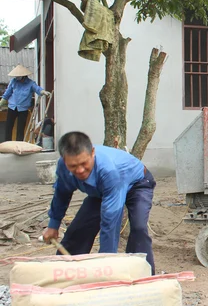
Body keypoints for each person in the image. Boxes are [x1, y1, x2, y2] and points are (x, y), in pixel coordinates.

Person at [42, 132, 157, 274]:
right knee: (78, 229)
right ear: (64, 160)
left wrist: (106, 265)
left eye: (84, 164)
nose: (80, 170)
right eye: (73, 166)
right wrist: (53, 225)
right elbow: (62, 194)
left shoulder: (108, 170)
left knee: (139, 228)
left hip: (137, 184)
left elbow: (110, 222)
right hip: (102, 191)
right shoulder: (63, 167)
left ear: (93, 153)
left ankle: (142, 274)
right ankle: (66, 272)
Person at [0, 64, 51, 142]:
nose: (17, 77)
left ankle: (19, 144)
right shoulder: (13, 81)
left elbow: (37, 89)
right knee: (9, 127)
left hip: (23, 109)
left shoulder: (30, 83)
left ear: (23, 76)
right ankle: (7, 143)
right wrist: (2, 101)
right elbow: (7, 92)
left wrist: (43, 92)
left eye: (18, 76)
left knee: (20, 128)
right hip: (12, 107)